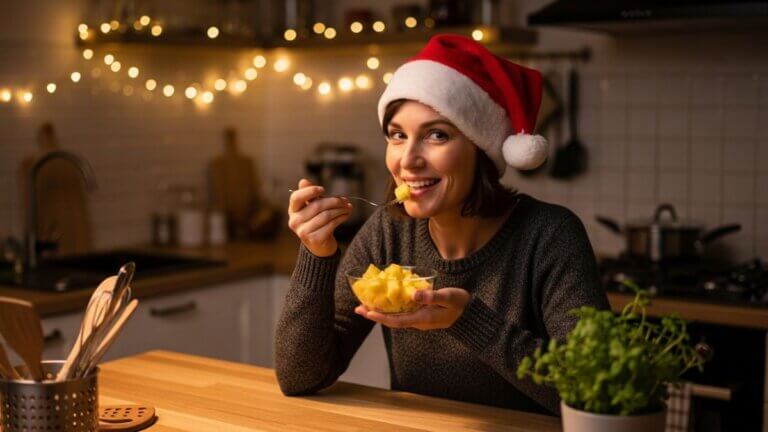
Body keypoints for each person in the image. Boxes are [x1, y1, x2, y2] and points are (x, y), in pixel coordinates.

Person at [276, 34, 609, 415]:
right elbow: (299, 376)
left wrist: (469, 320)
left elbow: (596, 392)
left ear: (480, 151)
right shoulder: (388, 232)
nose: (408, 160)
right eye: (398, 135)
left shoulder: (550, 236)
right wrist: (317, 256)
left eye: (436, 135)